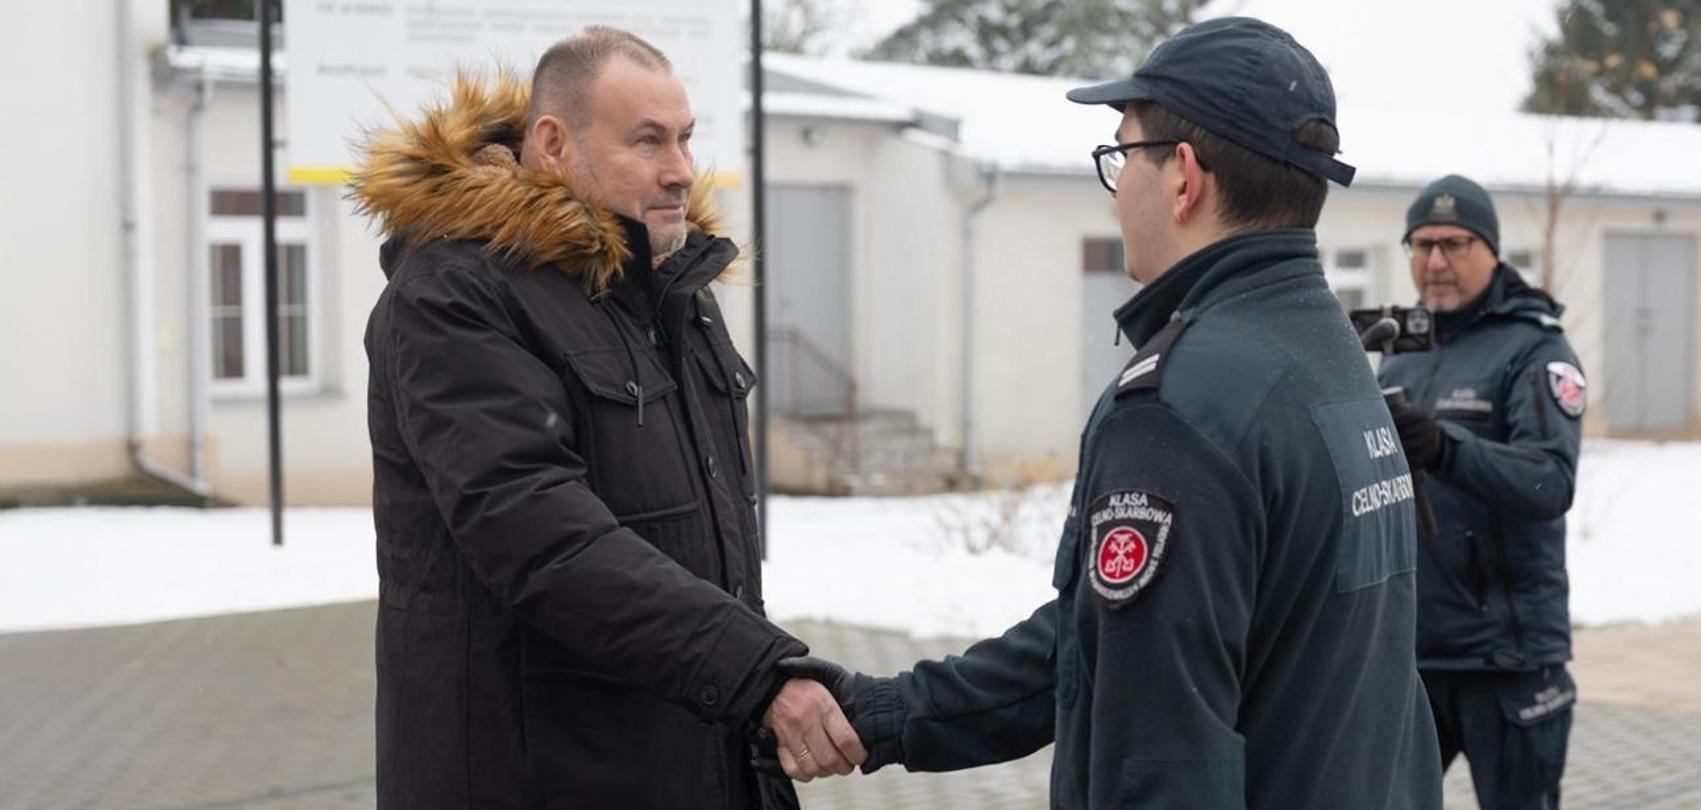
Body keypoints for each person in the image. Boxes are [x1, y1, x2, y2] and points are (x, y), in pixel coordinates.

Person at [780, 17, 1441, 808]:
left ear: (1184, 177)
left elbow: (1160, 755)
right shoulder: (1325, 352)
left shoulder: (1181, 406)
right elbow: (1114, 637)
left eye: (1122, 155)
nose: (1118, 185)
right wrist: (892, 715)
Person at [354, 26, 862, 809]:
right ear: (553, 143)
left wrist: (743, 712)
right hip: (532, 771)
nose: (681, 170)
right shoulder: (454, 297)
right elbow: (542, 536)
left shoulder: (670, 289)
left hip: (682, 756)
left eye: (687, 139)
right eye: (648, 141)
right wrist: (757, 673)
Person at [1379, 174, 1586, 809]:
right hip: (1415, 653)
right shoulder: (1400, 342)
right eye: (1421, 245)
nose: (1435, 262)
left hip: (1508, 660)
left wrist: (1445, 448)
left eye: (1455, 244)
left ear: (1491, 251)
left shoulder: (1535, 346)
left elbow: (1549, 480)